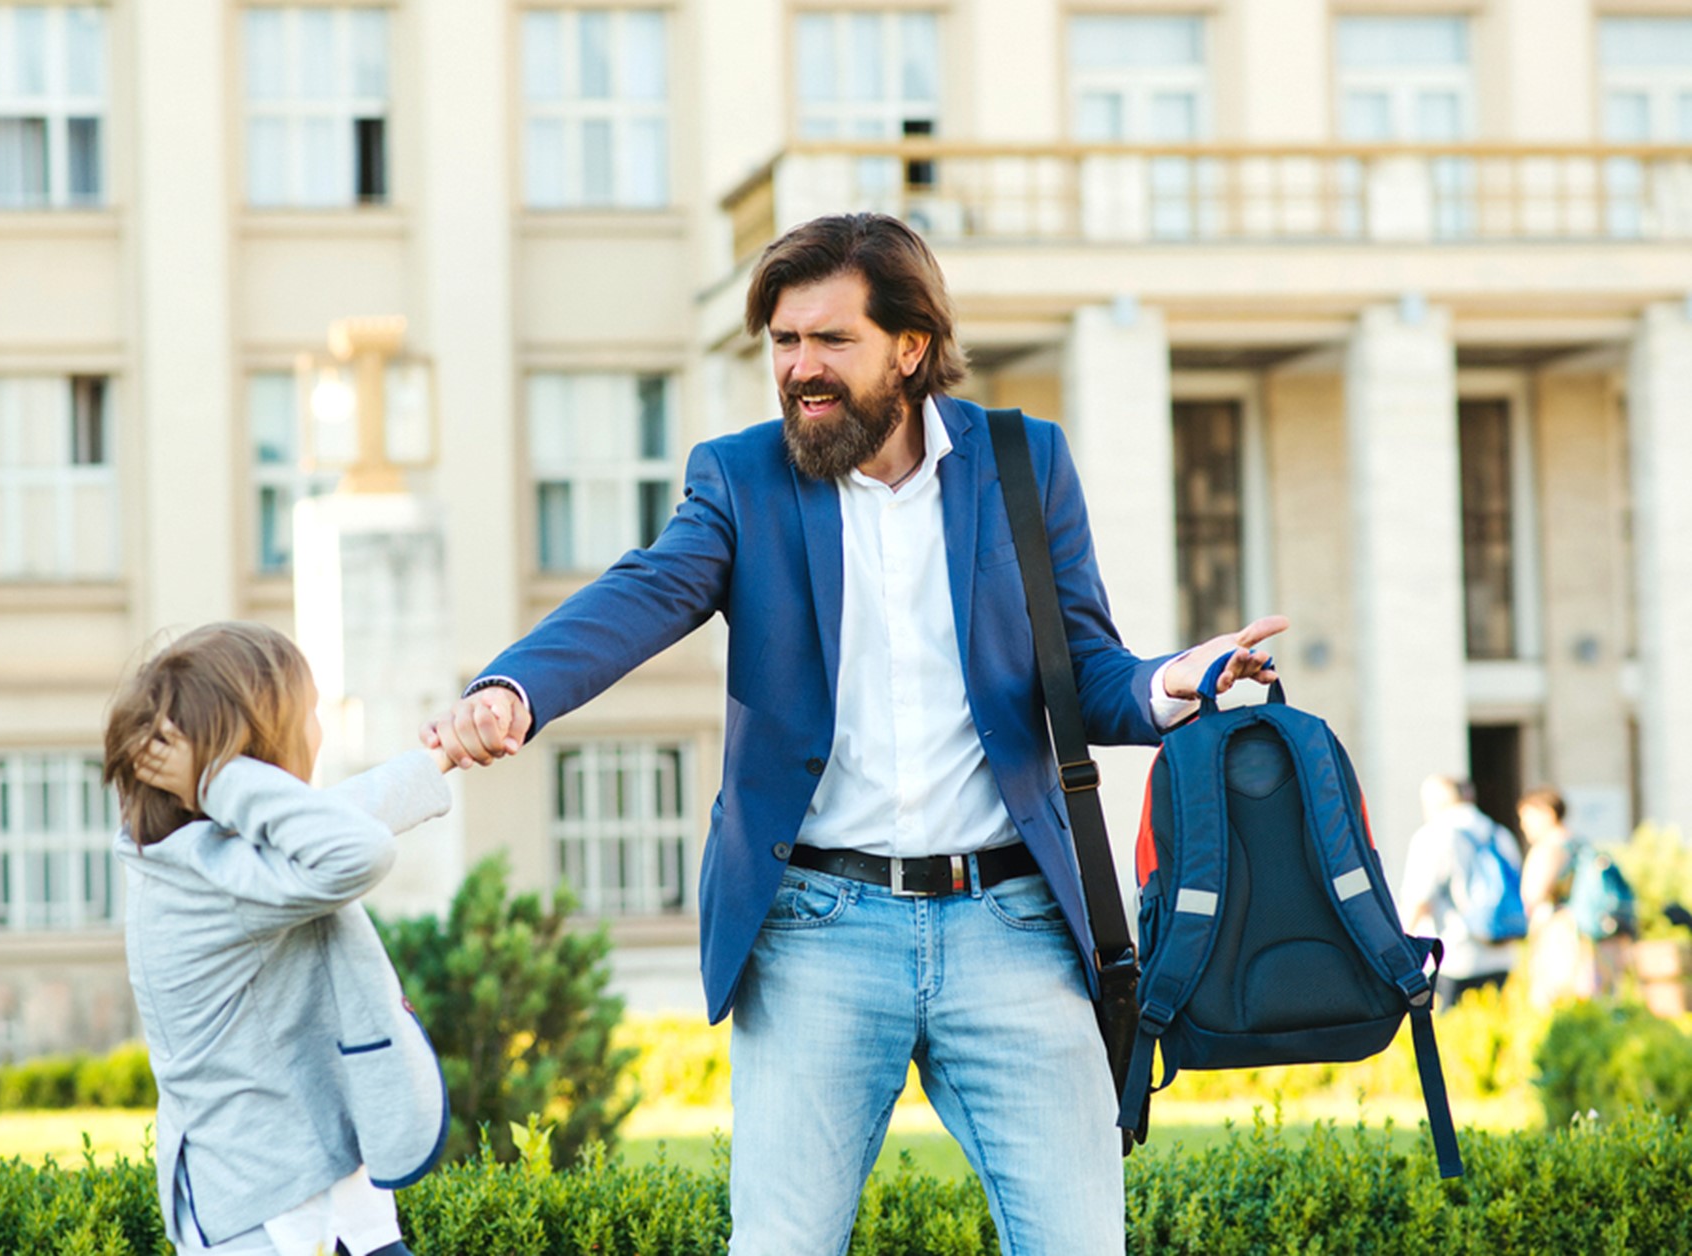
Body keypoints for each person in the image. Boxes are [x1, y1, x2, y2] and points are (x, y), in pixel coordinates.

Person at [423, 212, 1282, 1255]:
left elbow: (1086, 674)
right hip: (816, 928)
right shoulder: (742, 478)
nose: (798, 369)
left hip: (1011, 924)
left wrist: (1172, 680)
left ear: (909, 347)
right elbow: (645, 591)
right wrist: (517, 688)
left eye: (830, 340)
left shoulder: (1023, 465)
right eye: (783, 342)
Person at [103, 621, 452, 1256]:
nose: (319, 731)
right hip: (272, 1219)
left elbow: (338, 820)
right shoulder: (206, 881)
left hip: (326, 1202)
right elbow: (356, 848)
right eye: (311, 713)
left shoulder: (208, 856)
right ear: (260, 746)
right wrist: (218, 776)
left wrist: (440, 760)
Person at [1399, 775, 1523, 1011]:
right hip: (1502, 952)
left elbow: (1418, 899)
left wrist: (1399, 950)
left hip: (1456, 956)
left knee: (1453, 1037)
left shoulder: (1434, 834)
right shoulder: (1499, 833)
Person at [1519, 786, 1627, 1005]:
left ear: (1548, 813)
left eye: (1527, 817)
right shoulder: (1579, 842)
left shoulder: (1549, 847)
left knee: (1557, 1000)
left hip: (1560, 931)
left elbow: (1533, 894)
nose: (1523, 825)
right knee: (1591, 996)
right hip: (1586, 931)